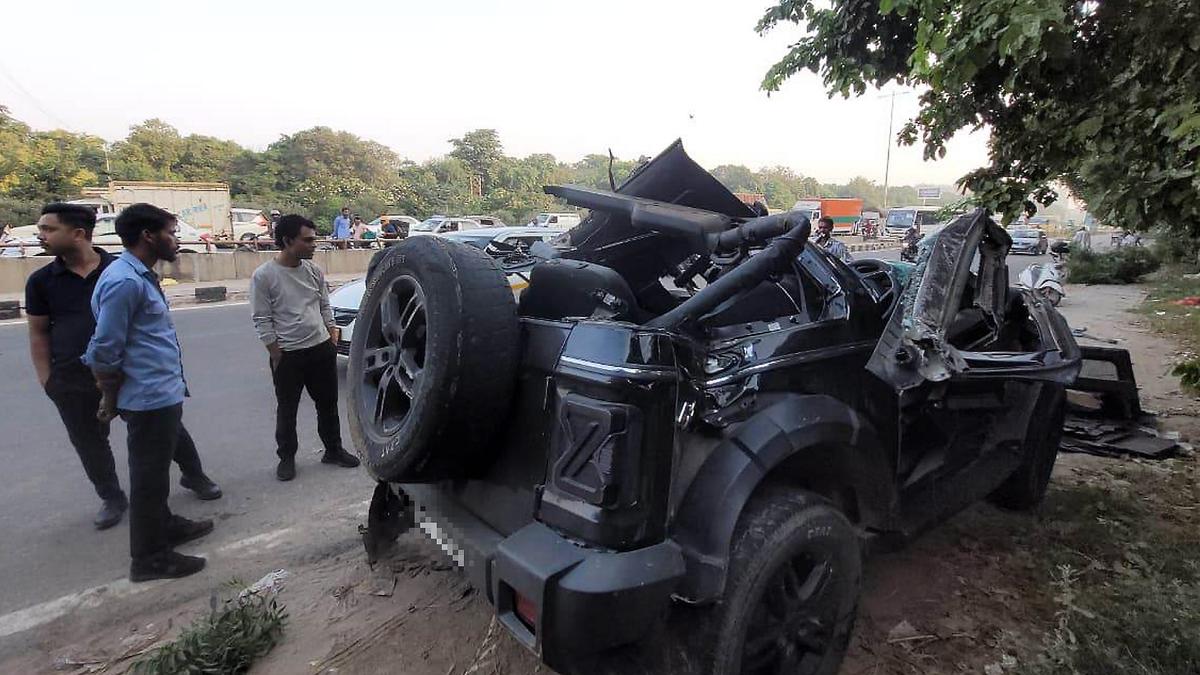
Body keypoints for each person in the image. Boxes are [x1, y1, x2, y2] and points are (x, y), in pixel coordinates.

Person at [27, 204, 222, 531]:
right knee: (92, 441)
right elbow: (39, 333)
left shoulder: (120, 270)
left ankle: (193, 477)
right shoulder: (43, 281)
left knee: (165, 434)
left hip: (130, 376)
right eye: (42, 229)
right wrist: (48, 380)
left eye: (49, 229)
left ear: (78, 233)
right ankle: (115, 500)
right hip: (78, 377)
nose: (40, 235)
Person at [83, 203, 215, 582]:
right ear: (148, 236)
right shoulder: (125, 281)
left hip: (159, 392)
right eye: (171, 233)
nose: (176, 240)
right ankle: (149, 559)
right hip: (146, 397)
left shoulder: (137, 275)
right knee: (149, 479)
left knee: (155, 474)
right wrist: (109, 398)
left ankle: (167, 526)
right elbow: (104, 349)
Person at [250, 214, 361, 481]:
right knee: (287, 409)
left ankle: (333, 450)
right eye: (308, 240)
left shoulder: (313, 270)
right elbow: (262, 318)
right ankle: (286, 458)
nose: (314, 244)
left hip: (321, 349)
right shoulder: (264, 276)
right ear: (288, 241)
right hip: (288, 354)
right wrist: (275, 352)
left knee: (328, 405)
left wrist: (332, 332)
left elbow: (324, 304)